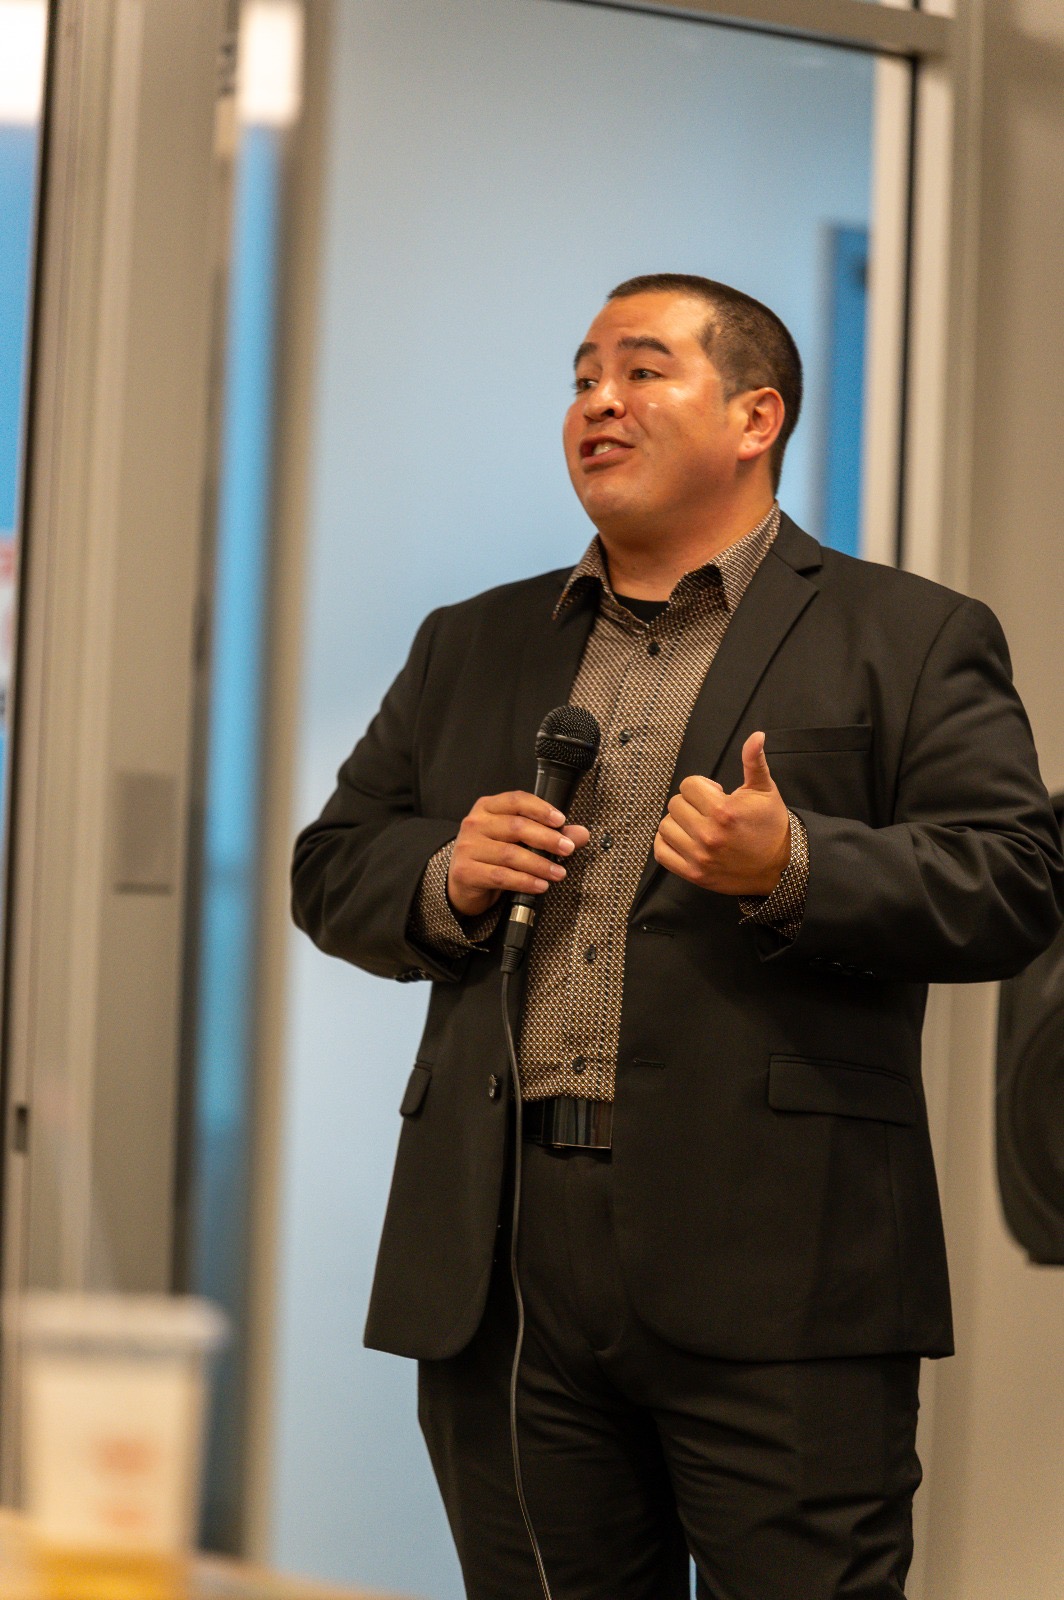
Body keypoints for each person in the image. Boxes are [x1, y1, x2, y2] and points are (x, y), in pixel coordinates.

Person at [291, 273, 1064, 1599]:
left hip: (786, 1258)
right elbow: (331, 865)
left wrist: (796, 864)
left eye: (643, 370)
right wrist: (445, 875)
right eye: (583, 376)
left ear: (757, 417)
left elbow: (1015, 881)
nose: (599, 401)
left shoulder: (911, 633)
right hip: (502, 1255)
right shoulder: (470, 642)